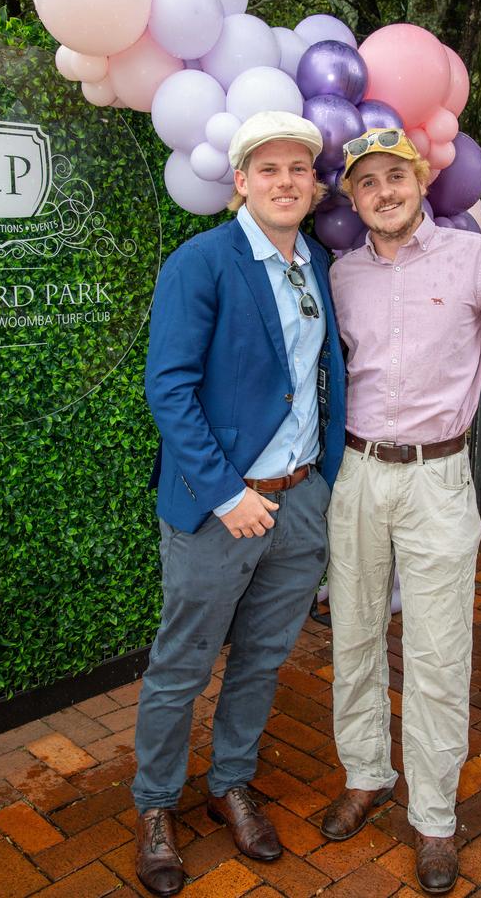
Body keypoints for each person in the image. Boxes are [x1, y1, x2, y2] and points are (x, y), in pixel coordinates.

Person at [320, 128, 481, 895]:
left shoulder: (475, 258)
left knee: (437, 654)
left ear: (420, 180)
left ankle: (434, 818)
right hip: (357, 474)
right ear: (352, 198)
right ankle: (366, 774)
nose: (383, 192)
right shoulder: (340, 273)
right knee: (353, 633)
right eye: (367, 183)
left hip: (440, 478)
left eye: (395, 176)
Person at [133, 111, 345, 897]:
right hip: (222, 505)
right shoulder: (203, 261)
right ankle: (154, 805)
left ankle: (230, 783)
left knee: (260, 659)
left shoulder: (317, 261)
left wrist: (318, 482)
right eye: (269, 169)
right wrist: (227, 494)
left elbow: (318, 380)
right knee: (181, 665)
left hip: (298, 503)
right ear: (240, 185)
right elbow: (169, 388)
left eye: (299, 169)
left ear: (314, 185)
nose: (286, 181)